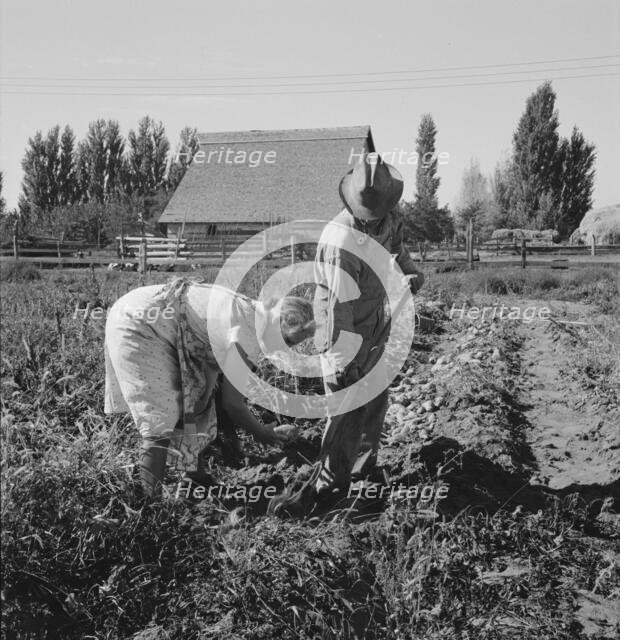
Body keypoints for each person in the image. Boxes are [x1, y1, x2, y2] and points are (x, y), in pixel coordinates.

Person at [104, 278, 315, 497]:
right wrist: (262, 433)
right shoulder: (249, 333)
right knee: (159, 419)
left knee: (196, 402)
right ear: (278, 324)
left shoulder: (251, 312)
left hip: (147, 314)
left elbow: (209, 386)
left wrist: (203, 400)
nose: (286, 349)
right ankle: (150, 505)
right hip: (141, 325)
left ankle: (196, 478)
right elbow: (233, 404)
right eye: (288, 342)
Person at [313, 153, 424, 497]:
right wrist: (345, 360)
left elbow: (397, 248)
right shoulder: (341, 241)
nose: (379, 217)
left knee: (374, 400)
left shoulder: (388, 219)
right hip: (340, 329)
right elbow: (336, 308)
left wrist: (410, 270)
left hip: (374, 321)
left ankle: (363, 473)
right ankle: (330, 486)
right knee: (345, 410)